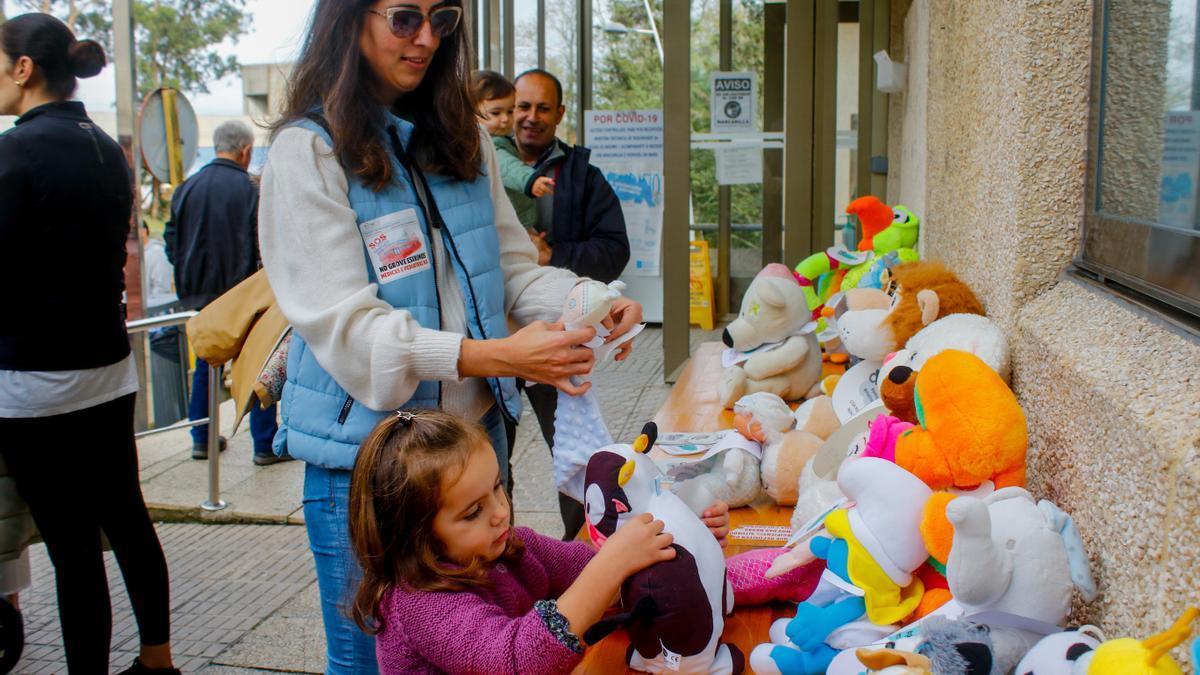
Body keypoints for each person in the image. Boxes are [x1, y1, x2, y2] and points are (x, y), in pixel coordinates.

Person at [257, 1, 643, 670]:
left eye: (444, 18)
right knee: (368, 661)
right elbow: (347, 330)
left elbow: (514, 274)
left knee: (489, 642)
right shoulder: (308, 150)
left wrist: (593, 301)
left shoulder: (461, 139)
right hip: (370, 472)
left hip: (474, 452)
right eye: (406, 16)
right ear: (349, 18)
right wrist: (492, 355)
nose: (428, 38)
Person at [0, 13, 178, 674]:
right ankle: (158, 659)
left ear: (24, 69)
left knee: (73, 547)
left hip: (33, 380)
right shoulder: (108, 147)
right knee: (128, 517)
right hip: (108, 369)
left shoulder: (12, 153)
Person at [348, 410, 731, 673]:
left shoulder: (511, 548)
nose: (500, 512)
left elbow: (603, 572)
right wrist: (612, 564)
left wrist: (681, 537)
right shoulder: (419, 604)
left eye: (498, 488)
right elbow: (517, 661)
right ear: (415, 537)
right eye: (472, 512)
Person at [509, 68, 633, 537]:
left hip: (554, 335)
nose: (530, 118)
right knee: (487, 457)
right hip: (494, 336)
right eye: (523, 106)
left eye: (543, 108)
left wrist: (552, 256)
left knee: (572, 448)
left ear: (560, 114)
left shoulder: (584, 178)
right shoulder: (478, 171)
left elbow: (614, 250)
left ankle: (581, 544)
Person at [164, 120, 284, 465]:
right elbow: (265, 243)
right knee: (261, 363)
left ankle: (201, 437)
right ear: (246, 151)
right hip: (242, 295)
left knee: (206, 364)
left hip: (199, 296)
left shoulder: (187, 187)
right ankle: (264, 443)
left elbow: (172, 240)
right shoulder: (250, 188)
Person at [472, 70, 554, 228]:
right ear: (471, 114)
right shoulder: (488, 144)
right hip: (514, 224)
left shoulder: (499, 140)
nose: (505, 119)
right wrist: (530, 180)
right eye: (495, 113)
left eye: (510, 111)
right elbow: (507, 167)